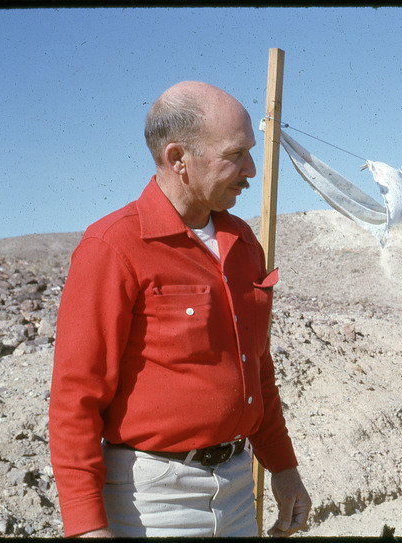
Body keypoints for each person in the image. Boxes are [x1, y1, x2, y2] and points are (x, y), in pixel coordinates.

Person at [49, 81, 311, 538]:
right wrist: (87, 526)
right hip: (152, 502)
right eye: (236, 154)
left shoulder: (244, 245)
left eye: (251, 152)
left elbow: (257, 369)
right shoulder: (112, 247)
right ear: (177, 159)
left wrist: (284, 470)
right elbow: (76, 399)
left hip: (237, 488)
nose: (251, 169)